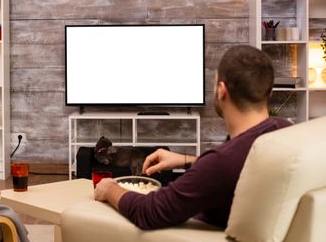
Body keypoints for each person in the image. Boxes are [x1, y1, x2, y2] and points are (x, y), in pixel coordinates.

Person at [94, 45, 292, 229]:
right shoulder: (285, 130)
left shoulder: (221, 163)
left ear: (222, 91)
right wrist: (185, 160)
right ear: (267, 90)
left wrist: (111, 188)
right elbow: (242, 169)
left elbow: (150, 211)